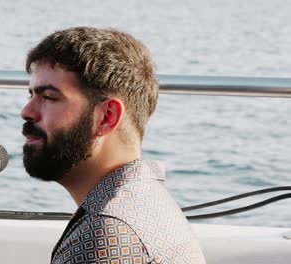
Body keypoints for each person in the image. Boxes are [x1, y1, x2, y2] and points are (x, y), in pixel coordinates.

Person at [21, 27, 206, 264]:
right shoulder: (145, 203)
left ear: (107, 117)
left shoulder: (106, 235)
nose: (26, 112)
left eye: (49, 97)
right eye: (30, 96)